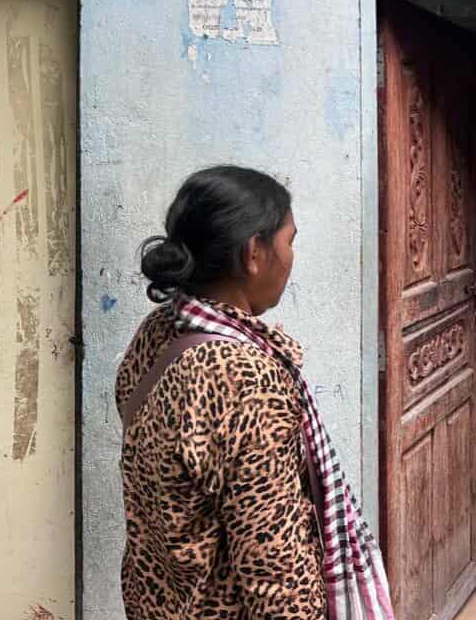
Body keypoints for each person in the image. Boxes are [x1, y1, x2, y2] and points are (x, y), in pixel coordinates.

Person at [116, 166, 392, 620]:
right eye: (289, 241)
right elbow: (276, 571)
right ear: (254, 253)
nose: (291, 257)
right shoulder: (245, 379)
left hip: (160, 604)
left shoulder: (159, 333)